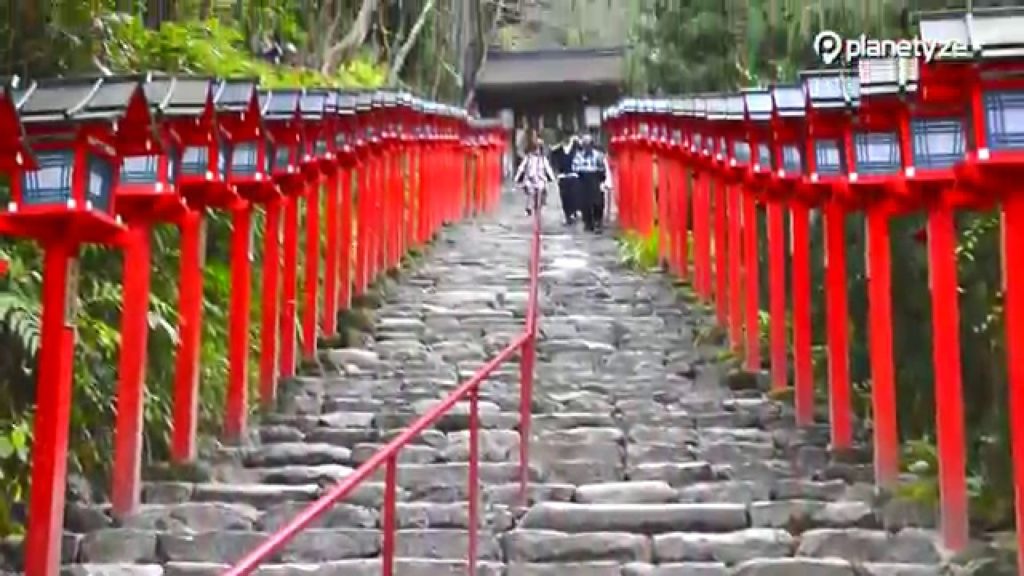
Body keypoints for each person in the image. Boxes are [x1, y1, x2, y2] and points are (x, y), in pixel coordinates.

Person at [572, 132, 612, 232]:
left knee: (597, 202)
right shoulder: (579, 156)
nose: (587, 147)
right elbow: (575, 168)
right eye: (585, 144)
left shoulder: (598, 155)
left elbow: (602, 169)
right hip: (583, 180)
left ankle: (598, 221)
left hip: (595, 179)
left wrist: (603, 180)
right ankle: (588, 222)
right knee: (584, 203)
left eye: (588, 144)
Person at [514, 134, 556, 216]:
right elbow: (521, 168)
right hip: (530, 179)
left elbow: (548, 169)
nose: (537, 151)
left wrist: (553, 178)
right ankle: (528, 208)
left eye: (539, 149)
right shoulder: (528, 158)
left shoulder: (543, 159)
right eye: (536, 149)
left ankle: (542, 202)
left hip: (540, 179)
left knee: (543, 188)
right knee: (530, 193)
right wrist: (517, 178)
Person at [549, 130, 580, 225]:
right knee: (564, 196)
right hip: (563, 177)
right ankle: (567, 215)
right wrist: (555, 172)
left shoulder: (576, 148)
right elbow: (552, 157)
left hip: (573, 175)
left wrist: (577, 140)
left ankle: (573, 212)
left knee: (574, 196)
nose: (566, 139)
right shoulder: (558, 150)